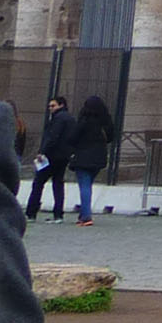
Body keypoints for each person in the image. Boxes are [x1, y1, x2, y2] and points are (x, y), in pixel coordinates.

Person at [67, 93, 115, 226]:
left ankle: (86, 216)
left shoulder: (84, 120)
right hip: (99, 158)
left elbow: (72, 137)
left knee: (85, 186)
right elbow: (111, 137)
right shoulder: (105, 122)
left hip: (83, 157)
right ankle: (83, 214)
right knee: (88, 186)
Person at [25, 96, 74, 223]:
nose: (50, 109)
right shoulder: (71, 118)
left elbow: (52, 137)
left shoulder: (58, 119)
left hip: (52, 156)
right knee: (58, 184)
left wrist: (42, 152)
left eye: (53, 106)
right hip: (64, 156)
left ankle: (31, 212)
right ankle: (58, 214)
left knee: (38, 183)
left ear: (61, 105)